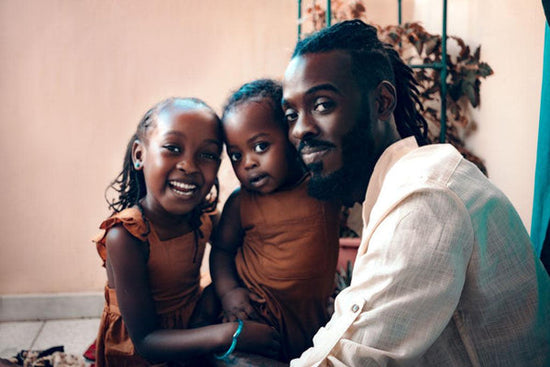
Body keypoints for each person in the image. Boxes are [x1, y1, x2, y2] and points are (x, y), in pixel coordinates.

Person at [281, 20, 550, 366]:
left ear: (381, 102)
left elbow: (349, 362)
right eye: (291, 114)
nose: (300, 129)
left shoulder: (424, 198)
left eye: (322, 105)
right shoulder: (408, 185)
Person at [93, 97, 280, 367]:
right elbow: (146, 341)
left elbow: (241, 249)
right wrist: (229, 334)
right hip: (147, 352)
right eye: (172, 148)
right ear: (139, 155)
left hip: (194, 325)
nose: (189, 166)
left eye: (206, 155)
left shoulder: (203, 218)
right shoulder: (126, 236)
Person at [210, 79, 341, 361]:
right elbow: (221, 251)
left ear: (292, 135)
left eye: (260, 146)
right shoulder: (242, 202)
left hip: (309, 323)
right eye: (236, 155)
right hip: (254, 318)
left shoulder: (322, 185)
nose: (247, 163)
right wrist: (230, 293)